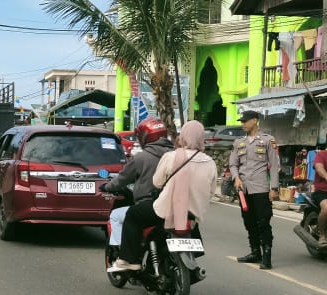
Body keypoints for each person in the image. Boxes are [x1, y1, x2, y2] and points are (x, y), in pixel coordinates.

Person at [108, 120, 217, 273]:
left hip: (165, 211)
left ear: (183, 136)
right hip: (192, 214)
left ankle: (128, 259)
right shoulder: (210, 162)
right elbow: (211, 191)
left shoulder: (172, 157)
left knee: (133, 215)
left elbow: (157, 182)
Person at [102, 117, 173, 264]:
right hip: (177, 206)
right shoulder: (177, 155)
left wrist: (107, 187)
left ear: (145, 136)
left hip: (150, 206)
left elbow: (122, 179)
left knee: (118, 215)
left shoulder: (142, 157)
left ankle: (124, 256)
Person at [227, 109, 281, 269]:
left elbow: (274, 166)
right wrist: (236, 177)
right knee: (249, 221)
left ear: (255, 121)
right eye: (242, 121)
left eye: (245, 121)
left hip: (261, 188)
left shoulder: (267, 140)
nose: (242, 124)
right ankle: (255, 251)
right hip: (244, 189)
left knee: (263, 222)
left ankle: (267, 256)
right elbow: (233, 163)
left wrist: (274, 188)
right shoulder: (239, 142)